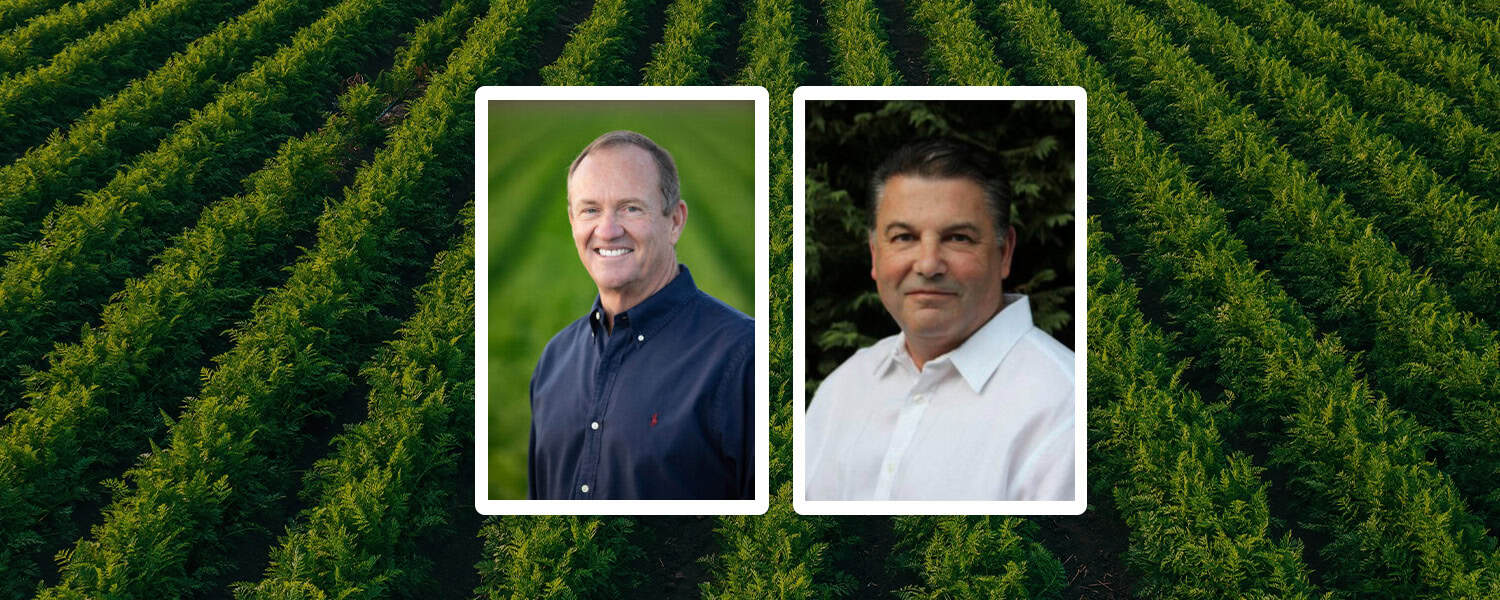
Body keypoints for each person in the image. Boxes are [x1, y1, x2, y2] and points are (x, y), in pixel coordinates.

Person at [806, 138, 1074, 501]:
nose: (928, 264)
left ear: (1004, 251)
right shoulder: (844, 390)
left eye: (958, 238)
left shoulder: (1066, 409)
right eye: (904, 237)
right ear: (874, 254)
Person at [529, 130, 754, 500]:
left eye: (631, 208)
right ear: (572, 221)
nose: (608, 230)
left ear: (675, 221)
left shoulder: (743, 358)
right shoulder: (553, 361)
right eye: (590, 210)